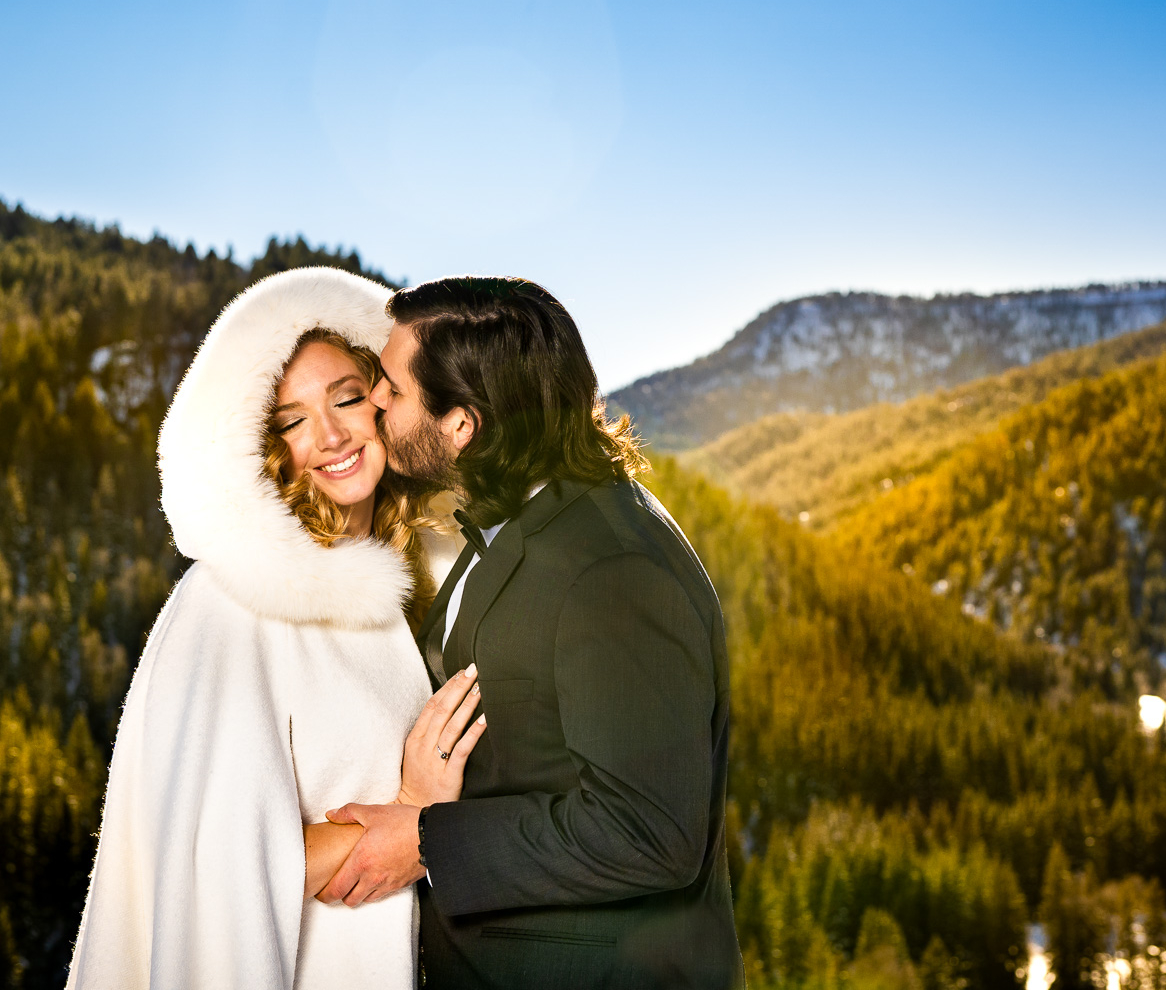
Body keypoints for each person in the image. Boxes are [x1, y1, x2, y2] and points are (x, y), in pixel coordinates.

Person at [66, 267, 487, 989]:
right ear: (264, 449)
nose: (328, 435)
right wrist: (412, 820)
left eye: (346, 399)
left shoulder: (402, 590)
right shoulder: (232, 605)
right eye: (291, 420)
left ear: (385, 401)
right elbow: (212, 866)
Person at [319, 276, 743, 989]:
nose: (375, 404)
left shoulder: (612, 569)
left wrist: (426, 841)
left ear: (463, 425)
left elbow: (650, 833)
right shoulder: (518, 521)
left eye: (391, 388)